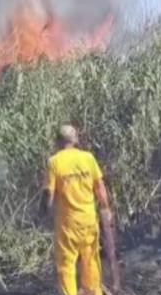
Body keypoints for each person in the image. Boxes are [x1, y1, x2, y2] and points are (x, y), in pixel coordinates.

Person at [41, 124, 114, 295]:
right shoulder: (88, 158)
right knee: (91, 262)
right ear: (75, 140)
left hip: (67, 226)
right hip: (88, 221)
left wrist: (42, 214)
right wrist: (106, 210)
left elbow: (48, 194)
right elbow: (100, 189)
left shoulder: (54, 162)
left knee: (66, 267)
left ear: (58, 141)